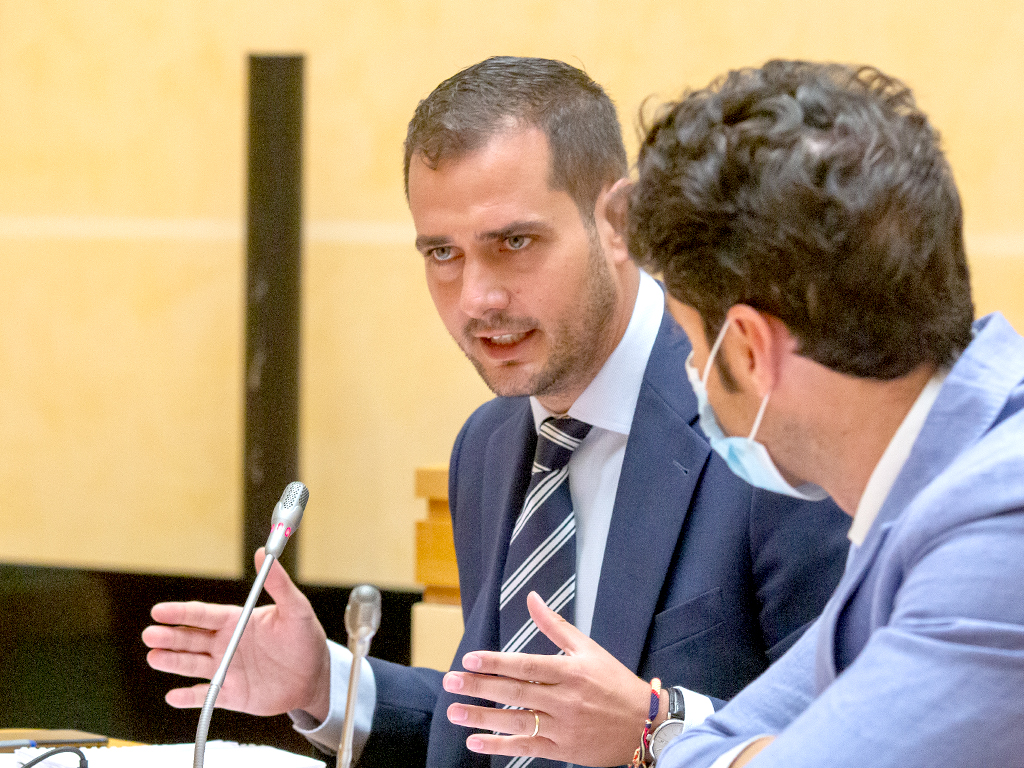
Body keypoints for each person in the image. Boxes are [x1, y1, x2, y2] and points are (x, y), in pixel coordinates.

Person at [141, 57, 850, 768]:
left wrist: (659, 729)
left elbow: (857, 737)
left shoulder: (769, 423)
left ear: (619, 223)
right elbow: (513, 731)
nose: (477, 299)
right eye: (442, 253)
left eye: (514, 243)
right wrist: (329, 684)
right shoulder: (488, 445)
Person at [622, 60, 1024, 767]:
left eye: (690, 341)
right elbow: (697, 747)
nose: (692, 371)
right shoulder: (917, 495)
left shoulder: (999, 528)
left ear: (749, 347)